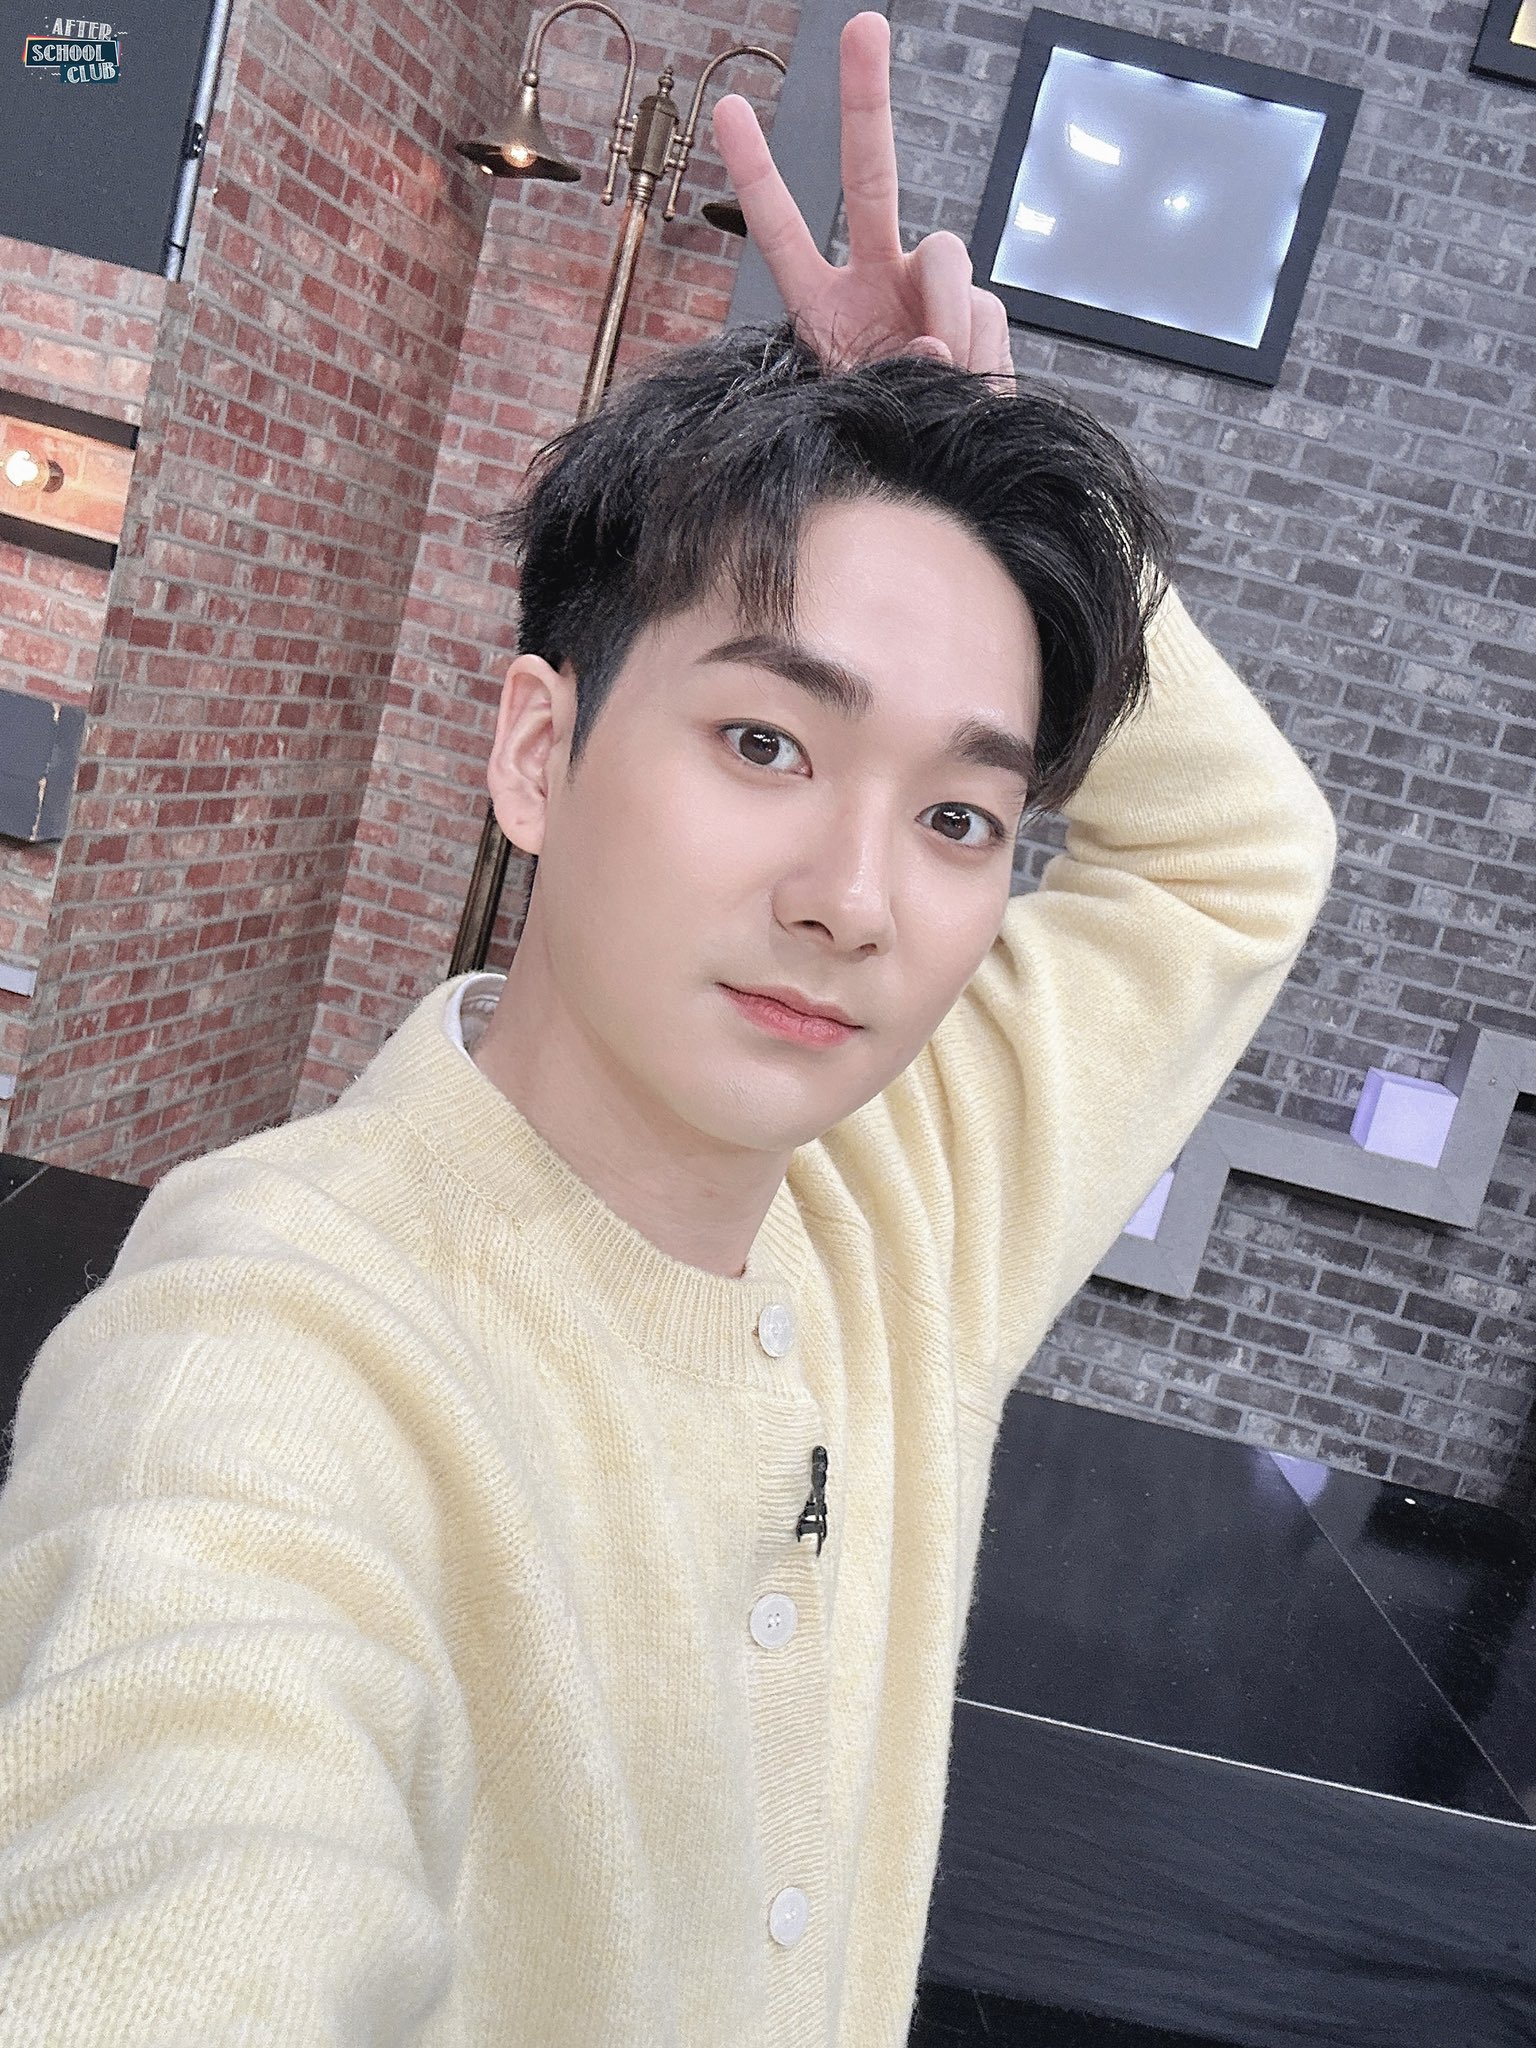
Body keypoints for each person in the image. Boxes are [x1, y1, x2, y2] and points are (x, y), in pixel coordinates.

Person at [0, 13, 1336, 2045]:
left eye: (961, 815)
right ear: (537, 750)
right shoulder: (269, 1351)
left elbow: (1241, 856)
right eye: (766, 741)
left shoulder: (904, 1203)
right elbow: (186, 1866)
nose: (854, 895)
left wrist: (971, 469)